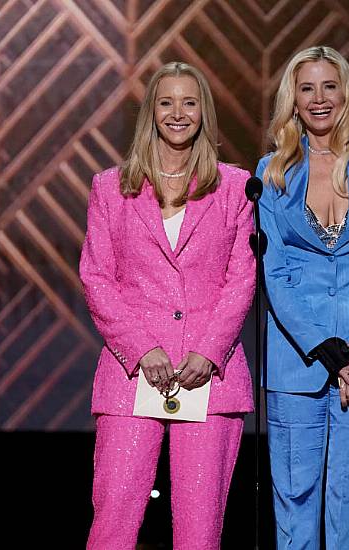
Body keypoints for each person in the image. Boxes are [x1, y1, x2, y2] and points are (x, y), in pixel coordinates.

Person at [79, 61, 255, 550]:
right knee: (113, 523)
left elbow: (241, 279)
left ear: (204, 112)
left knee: (200, 534)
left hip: (210, 377)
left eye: (190, 102)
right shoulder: (111, 188)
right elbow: (97, 278)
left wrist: (207, 351)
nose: (178, 113)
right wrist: (142, 349)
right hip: (131, 374)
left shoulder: (235, 188)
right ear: (151, 112)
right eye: (166, 102)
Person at [256, 46, 349, 549]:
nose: (319, 99)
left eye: (329, 86)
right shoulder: (271, 172)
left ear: (346, 93)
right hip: (296, 362)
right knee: (295, 505)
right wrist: (328, 350)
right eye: (307, 88)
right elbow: (273, 271)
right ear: (292, 101)